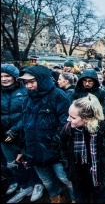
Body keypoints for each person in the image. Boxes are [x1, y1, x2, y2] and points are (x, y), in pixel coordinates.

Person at [16, 65, 74, 203]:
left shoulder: (59, 96)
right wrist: (23, 149)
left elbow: (65, 123)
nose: (28, 86)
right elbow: (26, 125)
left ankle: (75, 198)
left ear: (42, 80)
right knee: (46, 180)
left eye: (32, 82)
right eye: (26, 83)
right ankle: (57, 198)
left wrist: (55, 143)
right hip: (34, 149)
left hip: (56, 150)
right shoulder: (27, 99)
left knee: (65, 178)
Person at [60, 94, 105, 203]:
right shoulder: (69, 128)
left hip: (100, 178)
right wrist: (68, 168)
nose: (68, 119)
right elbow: (62, 147)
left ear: (86, 118)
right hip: (79, 179)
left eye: (73, 117)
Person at [1, 64, 44, 203]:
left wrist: (15, 130)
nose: (4, 79)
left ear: (14, 77)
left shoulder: (25, 91)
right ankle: (24, 186)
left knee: (29, 160)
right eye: (1, 76)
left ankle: (38, 184)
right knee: (12, 163)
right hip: (3, 135)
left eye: (7, 76)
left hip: (23, 133)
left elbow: (28, 113)